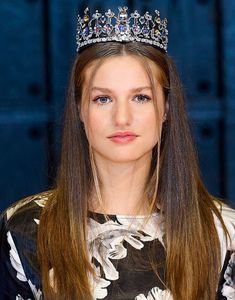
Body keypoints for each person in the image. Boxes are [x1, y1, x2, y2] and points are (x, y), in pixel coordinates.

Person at [0, 6, 235, 300]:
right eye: (103, 98)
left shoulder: (223, 232)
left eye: (140, 97)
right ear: (80, 110)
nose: (122, 117)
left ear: (165, 109)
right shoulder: (26, 229)